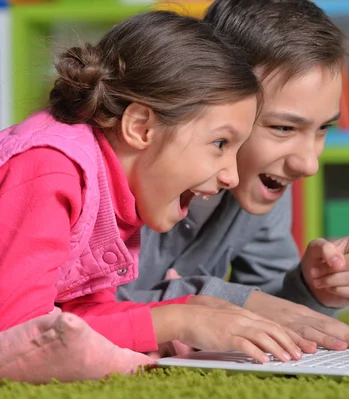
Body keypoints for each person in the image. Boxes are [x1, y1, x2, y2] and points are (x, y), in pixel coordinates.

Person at [0, 10, 305, 364]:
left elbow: (76, 319)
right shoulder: (51, 168)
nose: (232, 177)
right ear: (142, 128)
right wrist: (174, 320)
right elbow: (19, 333)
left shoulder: (115, 194)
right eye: (221, 143)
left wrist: (190, 312)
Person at [118, 0, 349, 354]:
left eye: (323, 129)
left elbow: (272, 308)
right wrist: (229, 301)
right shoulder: (122, 173)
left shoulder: (263, 178)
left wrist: (311, 287)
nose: (308, 164)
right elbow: (72, 307)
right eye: (282, 128)